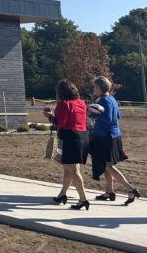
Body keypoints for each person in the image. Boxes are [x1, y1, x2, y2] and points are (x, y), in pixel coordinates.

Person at [89, 76, 141, 205]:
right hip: (114, 135)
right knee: (107, 166)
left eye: (95, 86)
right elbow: (117, 116)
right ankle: (109, 191)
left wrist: (92, 114)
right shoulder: (112, 99)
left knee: (108, 166)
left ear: (100, 88)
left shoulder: (103, 101)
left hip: (105, 136)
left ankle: (130, 189)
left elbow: (107, 118)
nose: (94, 89)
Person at [43, 79, 89, 210]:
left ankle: (83, 199)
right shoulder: (81, 102)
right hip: (82, 136)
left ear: (60, 92)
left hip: (69, 137)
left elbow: (60, 123)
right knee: (69, 168)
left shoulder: (63, 104)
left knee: (73, 170)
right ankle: (62, 194)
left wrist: (49, 116)